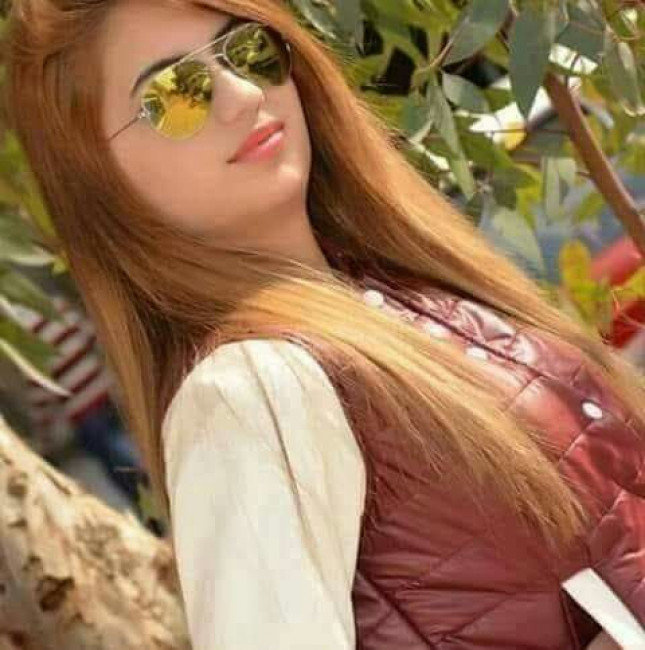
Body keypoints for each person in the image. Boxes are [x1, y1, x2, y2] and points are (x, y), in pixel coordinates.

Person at [3, 1, 643, 648]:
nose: (243, 95)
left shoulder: (403, 290)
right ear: (98, 175)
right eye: (176, 92)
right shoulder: (247, 390)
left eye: (246, 49)